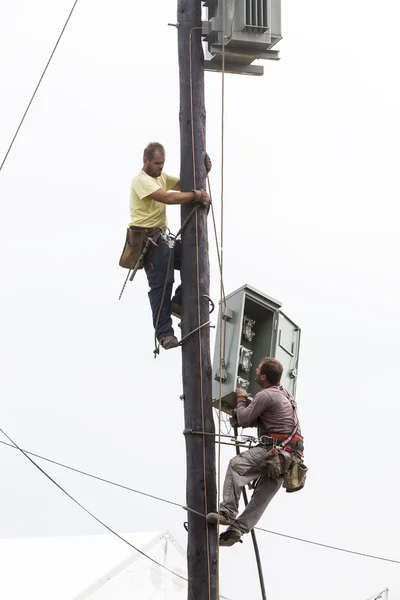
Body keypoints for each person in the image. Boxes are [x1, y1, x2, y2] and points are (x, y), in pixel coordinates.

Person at [207, 357, 304, 547]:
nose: (255, 371)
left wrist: (241, 398)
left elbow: (243, 419)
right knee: (262, 495)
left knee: (236, 466)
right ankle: (238, 529)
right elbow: (270, 420)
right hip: (291, 458)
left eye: (258, 369)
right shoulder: (284, 395)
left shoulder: (265, 395)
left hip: (275, 451)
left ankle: (227, 512)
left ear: (264, 376)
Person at [129, 142, 210, 350]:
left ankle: (179, 301)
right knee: (161, 285)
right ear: (145, 161)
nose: (160, 167)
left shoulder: (161, 177)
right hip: (150, 241)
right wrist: (196, 195)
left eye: (162, 163)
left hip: (164, 239)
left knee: (193, 259)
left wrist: (203, 174)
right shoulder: (141, 180)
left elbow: (184, 185)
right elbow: (166, 197)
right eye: (156, 163)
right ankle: (164, 334)